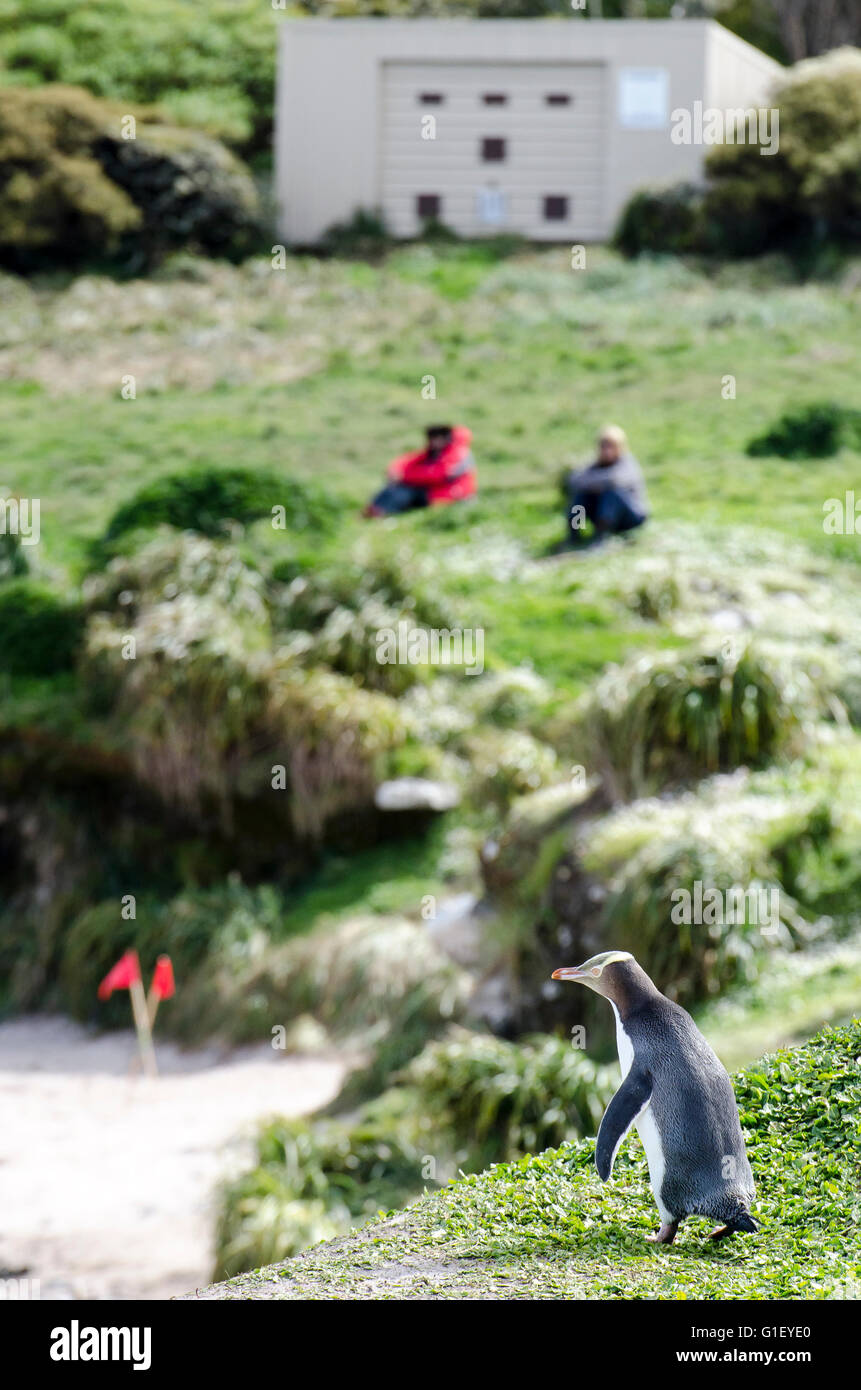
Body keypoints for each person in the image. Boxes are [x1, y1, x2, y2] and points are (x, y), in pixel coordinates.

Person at [363, 425, 477, 517]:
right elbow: (408, 460)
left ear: (446, 438)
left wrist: (404, 476)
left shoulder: (457, 453)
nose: (433, 441)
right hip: (433, 491)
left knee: (405, 491)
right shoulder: (436, 452)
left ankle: (381, 512)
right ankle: (375, 509)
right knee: (394, 488)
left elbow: (439, 474)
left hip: (447, 496)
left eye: (437, 437)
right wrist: (395, 470)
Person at [564, 425, 648, 547]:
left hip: (630, 517)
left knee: (612, 494)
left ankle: (601, 538)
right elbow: (575, 480)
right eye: (604, 446)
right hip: (602, 516)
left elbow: (616, 480)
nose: (607, 451)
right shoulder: (595, 465)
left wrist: (593, 483)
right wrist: (595, 484)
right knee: (581, 497)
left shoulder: (627, 463)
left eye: (611, 446)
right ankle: (575, 535)